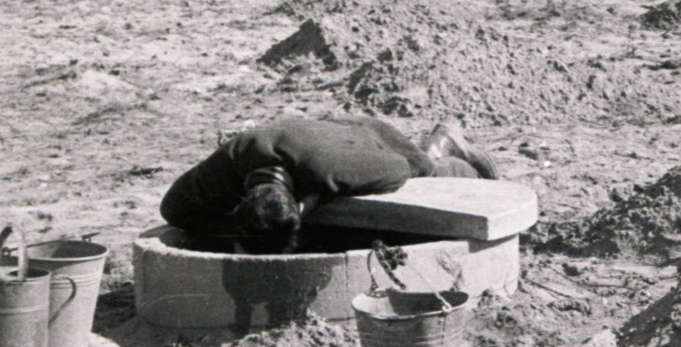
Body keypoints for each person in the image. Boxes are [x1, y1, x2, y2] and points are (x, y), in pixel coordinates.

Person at [159, 114, 498, 248]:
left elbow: (397, 169)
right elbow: (174, 210)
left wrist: (319, 196)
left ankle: (448, 144)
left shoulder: (333, 170)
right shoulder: (223, 172)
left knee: (426, 170)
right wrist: (232, 231)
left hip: (362, 138)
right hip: (303, 137)